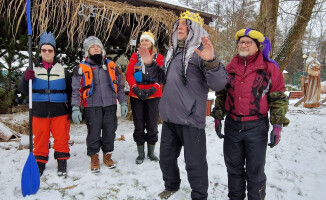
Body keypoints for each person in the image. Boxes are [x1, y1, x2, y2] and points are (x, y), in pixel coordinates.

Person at [139, 10, 228, 200]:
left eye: (185, 24)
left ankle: (199, 195)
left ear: (194, 29)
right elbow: (163, 79)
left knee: (194, 163)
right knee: (166, 159)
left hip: (191, 119)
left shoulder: (201, 53)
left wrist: (212, 61)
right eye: (178, 24)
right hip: (170, 117)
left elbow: (219, 84)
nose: (179, 27)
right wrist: (150, 64)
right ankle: (171, 185)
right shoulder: (173, 52)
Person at [211, 28, 290, 200]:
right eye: (241, 42)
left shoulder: (269, 68)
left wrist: (277, 125)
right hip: (233, 126)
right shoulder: (230, 68)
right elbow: (221, 94)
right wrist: (218, 116)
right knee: (233, 169)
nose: (244, 45)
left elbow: (278, 98)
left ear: (257, 46)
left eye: (248, 42)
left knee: (255, 171)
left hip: (256, 127)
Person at [71, 36, 128, 173]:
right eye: (92, 46)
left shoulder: (111, 66)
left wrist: (123, 102)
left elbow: (120, 86)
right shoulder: (80, 68)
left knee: (110, 132)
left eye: (98, 46)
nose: (95, 48)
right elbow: (75, 90)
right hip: (92, 107)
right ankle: (94, 157)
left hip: (110, 105)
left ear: (102, 49)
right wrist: (75, 107)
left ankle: (107, 156)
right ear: (88, 51)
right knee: (93, 133)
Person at [18, 31, 71, 177]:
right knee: (40, 137)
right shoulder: (32, 68)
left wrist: (72, 110)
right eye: (44, 50)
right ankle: (40, 162)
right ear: (40, 51)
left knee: (61, 137)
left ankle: (62, 161)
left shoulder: (62, 70)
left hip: (59, 109)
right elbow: (22, 89)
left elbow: (70, 90)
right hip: (39, 110)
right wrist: (25, 79)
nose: (47, 52)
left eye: (50, 50)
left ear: (54, 52)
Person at [125, 30, 164, 164]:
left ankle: (151, 152)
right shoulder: (135, 56)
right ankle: (140, 153)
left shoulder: (159, 57)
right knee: (139, 125)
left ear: (152, 43)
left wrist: (153, 89)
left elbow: (162, 76)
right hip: (137, 96)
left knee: (152, 125)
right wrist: (135, 88)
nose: (144, 43)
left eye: (147, 40)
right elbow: (129, 74)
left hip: (153, 96)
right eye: (142, 41)